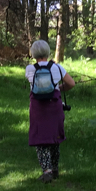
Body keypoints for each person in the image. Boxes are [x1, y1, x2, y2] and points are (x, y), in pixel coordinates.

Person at [26, 39, 75, 183]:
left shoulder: (30, 69)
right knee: (54, 139)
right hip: (54, 107)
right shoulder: (57, 68)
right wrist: (59, 88)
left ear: (33, 53)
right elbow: (71, 83)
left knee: (41, 140)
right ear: (48, 52)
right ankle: (54, 169)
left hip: (38, 108)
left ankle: (46, 170)